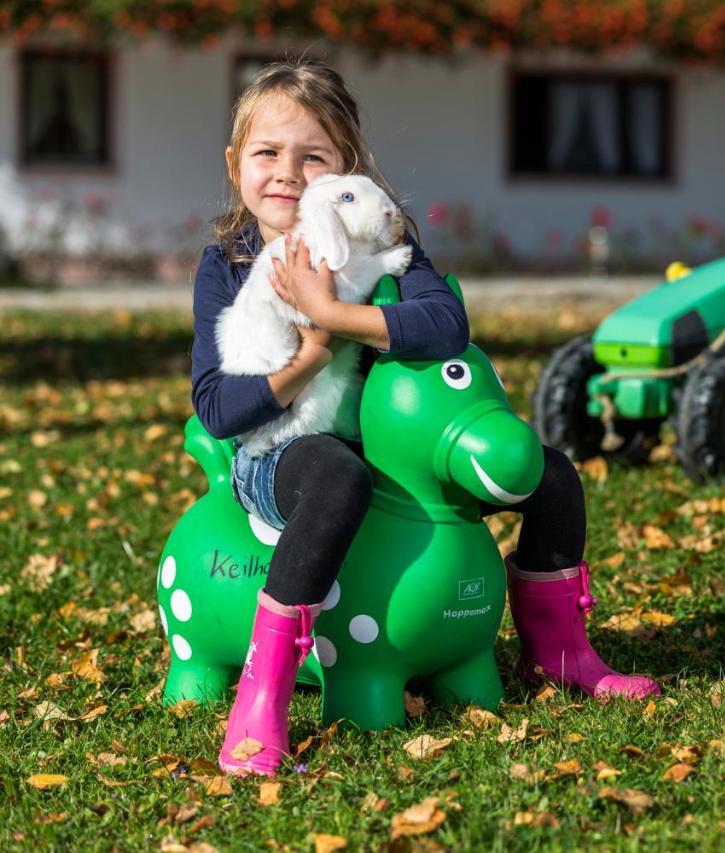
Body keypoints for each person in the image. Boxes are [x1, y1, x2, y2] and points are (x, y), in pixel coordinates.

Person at [192, 60, 657, 777]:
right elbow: (218, 408)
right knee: (337, 478)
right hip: (282, 451)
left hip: (400, 450)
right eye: (266, 153)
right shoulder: (226, 263)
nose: (287, 172)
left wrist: (335, 313)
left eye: (312, 156)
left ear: (345, 171)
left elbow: (446, 322)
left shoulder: (385, 248)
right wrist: (312, 354)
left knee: (553, 474)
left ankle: (560, 650)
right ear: (235, 165)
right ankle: (264, 690)